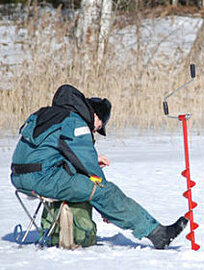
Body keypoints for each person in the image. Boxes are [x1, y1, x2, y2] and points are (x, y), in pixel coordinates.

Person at [10, 84, 188, 248]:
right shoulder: (75, 122)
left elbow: (53, 152)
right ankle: (158, 234)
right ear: (95, 114)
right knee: (106, 190)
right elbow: (89, 167)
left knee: (91, 186)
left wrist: (92, 162)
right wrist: (104, 199)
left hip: (20, 177)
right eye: (99, 126)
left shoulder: (48, 114)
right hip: (42, 179)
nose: (95, 130)